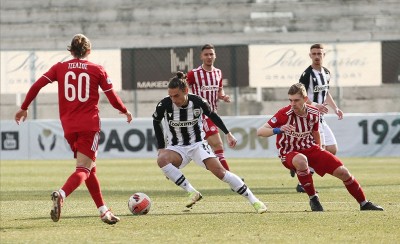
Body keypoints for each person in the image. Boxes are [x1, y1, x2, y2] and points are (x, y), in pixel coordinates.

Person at [14, 34, 133, 224]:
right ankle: (61, 194)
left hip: (69, 126)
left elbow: (37, 85)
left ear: (70, 51)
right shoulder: (97, 69)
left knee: (89, 169)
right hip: (89, 125)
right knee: (84, 169)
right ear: (89, 51)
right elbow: (112, 96)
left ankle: (104, 211)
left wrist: (24, 107)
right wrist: (124, 111)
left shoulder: (60, 68)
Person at [256, 83, 383, 212]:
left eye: (296, 100)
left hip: (310, 148)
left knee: (343, 172)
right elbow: (260, 131)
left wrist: (320, 149)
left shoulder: (314, 112)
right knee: (301, 160)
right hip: (289, 152)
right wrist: (279, 129)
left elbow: (316, 132)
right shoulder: (284, 113)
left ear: (305, 99)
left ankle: (364, 203)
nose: (293, 104)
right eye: (290, 100)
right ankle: (313, 198)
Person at [152, 71, 267, 214]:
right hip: (177, 148)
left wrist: (228, 133)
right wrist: (162, 148)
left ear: (186, 91)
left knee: (221, 173)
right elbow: (156, 121)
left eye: (177, 96)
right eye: (171, 96)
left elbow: (213, 115)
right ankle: (192, 192)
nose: (174, 99)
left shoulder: (198, 102)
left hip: (197, 145)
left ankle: (255, 201)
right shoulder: (164, 104)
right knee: (162, 159)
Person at [293, 43, 344, 193]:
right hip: (310, 117)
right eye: (314, 54)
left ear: (324, 55)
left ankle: (300, 167)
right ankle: (303, 182)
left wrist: (335, 108)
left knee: (332, 149)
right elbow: (301, 96)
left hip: (321, 117)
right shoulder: (307, 75)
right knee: (319, 150)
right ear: (310, 55)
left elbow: (326, 93)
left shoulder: (327, 73)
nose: (316, 56)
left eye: (319, 54)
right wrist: (316, 105)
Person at [186, 44, 232, 172]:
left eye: (211, 54)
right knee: (217, 145)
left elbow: (219, 91)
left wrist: (223, 97)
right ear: (201, 56)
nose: (209, 57)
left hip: (213, 114)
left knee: (199, 148)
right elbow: (181, 88)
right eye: (206, 54)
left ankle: (172, 165)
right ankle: (230, 177)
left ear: (215, 56)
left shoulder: (218, 72)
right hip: (200, 115)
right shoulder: (194, 74)